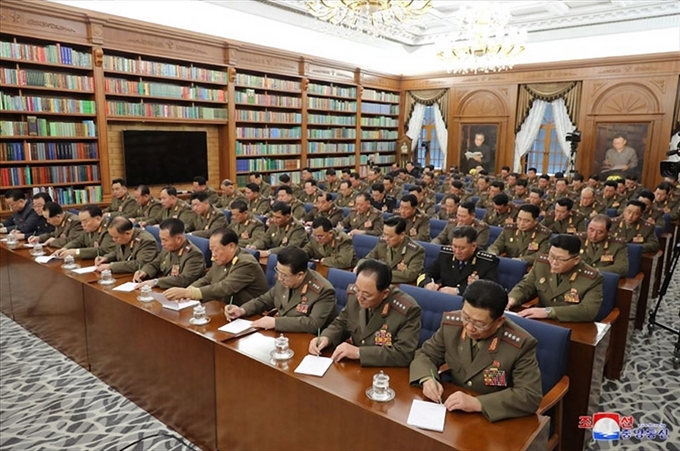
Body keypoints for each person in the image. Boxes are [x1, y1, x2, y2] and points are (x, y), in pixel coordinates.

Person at [409, 280, 542, 423]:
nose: (469, 327)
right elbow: (426, 354)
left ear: (499, 321)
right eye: (466, 317)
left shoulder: (520, 344)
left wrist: (478, 403)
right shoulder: (452, 325)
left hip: (492, 418)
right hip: (453, 412)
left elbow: (529, 395)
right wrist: (427, 379)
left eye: (479, 324)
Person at [309, 259, 421, 367]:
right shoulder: (355, 294)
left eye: (367, 295)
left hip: (384, 372)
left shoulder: (407, 310)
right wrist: (326, 337)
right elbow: (342, 323)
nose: (359, 297)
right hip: (355, 367)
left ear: (385, 293)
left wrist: (359, 352)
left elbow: (403, 354)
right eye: (357, 289)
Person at [226, 246, 337, 333]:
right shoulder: (284, 277)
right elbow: (264, 300)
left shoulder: (323, 291)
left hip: (308, 340)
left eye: (284, 275)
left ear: (300, 275)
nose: (279, 278)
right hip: (282, 335)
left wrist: (276, 322)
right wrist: (242, 310)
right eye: (278, 271)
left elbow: (313, 324)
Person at [508, 234, 604, 322]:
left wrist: (549, 312)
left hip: (571, 324)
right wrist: (512, 299)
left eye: (560, 259)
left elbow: (588, 311)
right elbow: (526, 286)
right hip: (540, 321)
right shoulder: (542, 264)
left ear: (576, 260)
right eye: (551, 256)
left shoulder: (591, 278)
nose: (553, 262)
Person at [164, 228, 268, 305]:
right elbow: (207, 279)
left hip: (248, 312)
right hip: (224, 305)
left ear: (231, 247)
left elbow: (224, 287)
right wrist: (189, 289)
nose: (213, 254)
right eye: (211, 250)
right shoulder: (220, 258)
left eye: (216, 250)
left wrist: (189, 293)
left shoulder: (246, 264)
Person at [418, 226, 499, 296]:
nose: (457, 251)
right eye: (454, 246)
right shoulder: (445, 255)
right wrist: (427, 284)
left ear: (473, 246)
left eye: (462, 248)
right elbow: (425, 273)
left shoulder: (487, 262)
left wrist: (458, 291)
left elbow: (490, 290)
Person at [134, 218, 206, 289]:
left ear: (179, 239)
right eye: (161, 239)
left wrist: (155, 282)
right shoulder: (169, 246)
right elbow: (156, 263)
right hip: (164, 287)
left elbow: (184, 280)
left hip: (180, 293)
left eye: (165, 240)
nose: (162, 244)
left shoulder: (194, 255)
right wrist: (144, 271)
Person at [360, 216, 425, 284]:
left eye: (390, 236)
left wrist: (379, 275)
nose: (386, 238)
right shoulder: (382, 243)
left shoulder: (415, 251)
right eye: (384, 234)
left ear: (402, 235)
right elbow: (366, 259)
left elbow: (410, 275)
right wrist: (359, 266)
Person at [487, 204, 552, 265]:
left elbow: (541, 255)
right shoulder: (509, 229)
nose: (521, 223)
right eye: (519, 219)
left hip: (527, 268)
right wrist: (493, 253)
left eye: (526, 221)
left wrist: (521, 259)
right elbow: (496, 245)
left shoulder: (544, 234)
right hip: (507, 264)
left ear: (535, 221)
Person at [94, 217, 159, 274]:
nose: (114, 239)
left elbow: (139, 264)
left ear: (127, 233)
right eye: (112, 237)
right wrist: (106, 258)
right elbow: (118, 252)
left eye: (116, 237)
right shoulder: (123, 237)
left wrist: (111, 266)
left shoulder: (146, 241)